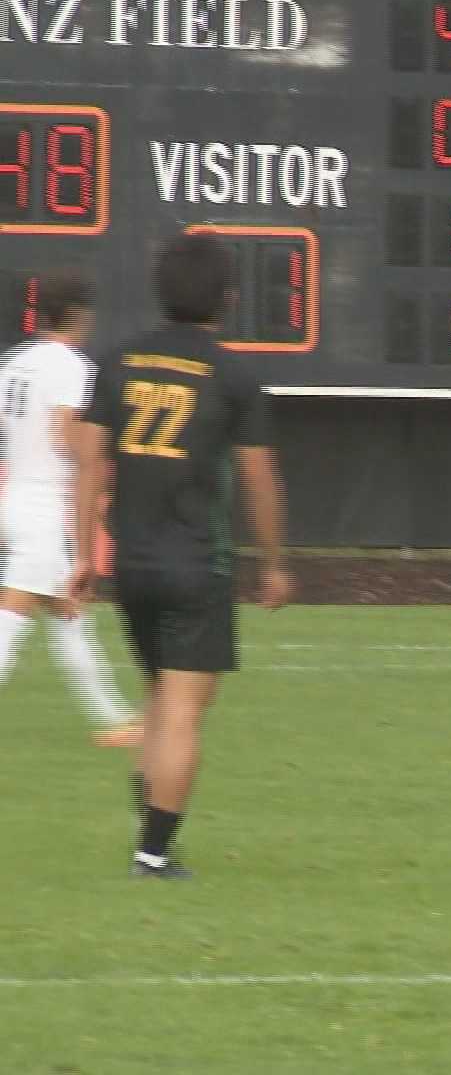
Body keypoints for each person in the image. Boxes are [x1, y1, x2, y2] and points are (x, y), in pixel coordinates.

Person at [70, 234, 295, 880]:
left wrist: (84, 555)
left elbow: (89, 463)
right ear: (228, 298)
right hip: (197, 564)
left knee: (160, 698)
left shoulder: (117, 362)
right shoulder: (232, 375)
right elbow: (259, 477)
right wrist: (274, 563)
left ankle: (151, 826)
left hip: (132, 565)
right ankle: (153, 853)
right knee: (181, 711)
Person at [0, 274, 141, 746]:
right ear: (80, 314)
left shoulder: (12, 364)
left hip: (17, 497)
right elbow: (67, 436)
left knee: (70, 614)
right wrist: (106, 462)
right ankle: (116, 719)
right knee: (13, 616)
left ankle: (115, 719)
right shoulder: (71, 367)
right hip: (45, 507)